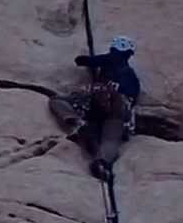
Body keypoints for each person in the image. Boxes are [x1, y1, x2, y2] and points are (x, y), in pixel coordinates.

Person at [49, 35, 142, 179]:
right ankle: (102, 162)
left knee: (56, 101)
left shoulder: (108, 59)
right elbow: (133, 98)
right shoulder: (132, 76)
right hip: (119, 110)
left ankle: (75, 120)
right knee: (110, 139)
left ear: (113, 48)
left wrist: (89, 61)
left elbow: (81, 60)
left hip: (96, 103)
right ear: (129, 54)